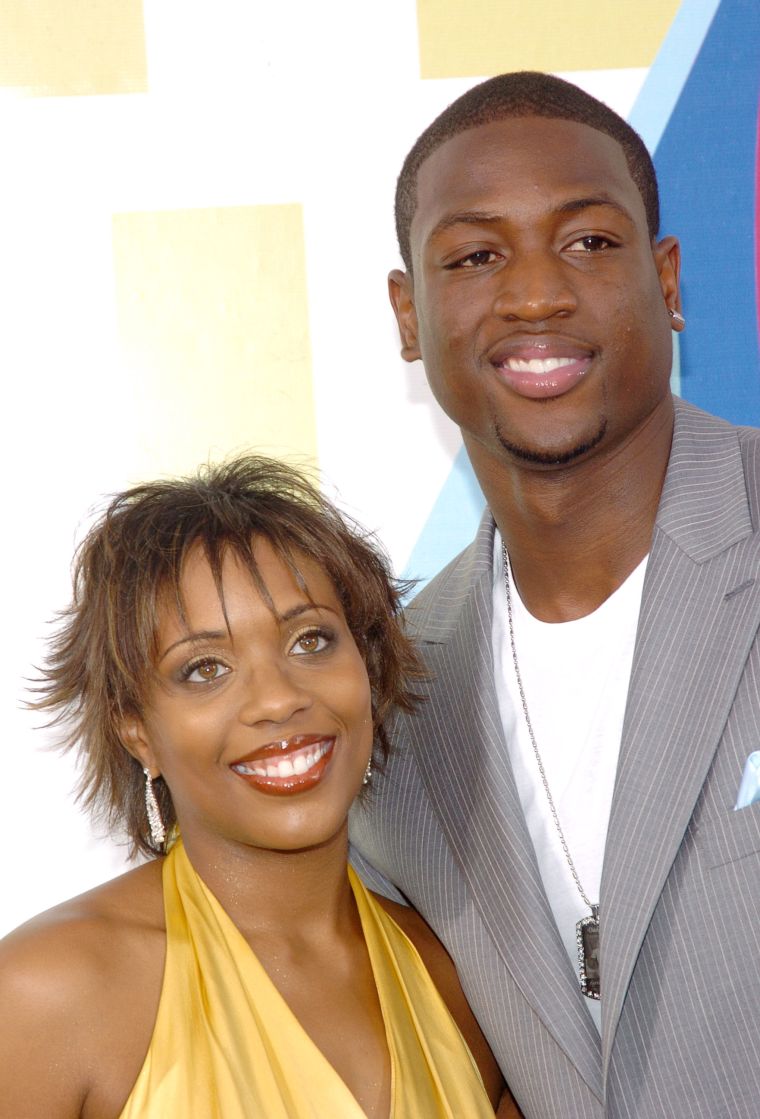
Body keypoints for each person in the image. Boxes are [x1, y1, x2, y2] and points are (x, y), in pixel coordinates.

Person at [350, 71, 760, 1118]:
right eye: (476, 257)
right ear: (409, 313)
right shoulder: (386, 701)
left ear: (666, 279)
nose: (536, 295)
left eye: (588, 241)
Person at [0, 456, 519, 1118]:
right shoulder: (47, 994)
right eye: (204, 668)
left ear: (366, 666)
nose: (277, 698)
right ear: (137, 732)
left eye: (310, 641)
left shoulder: (458, 982)